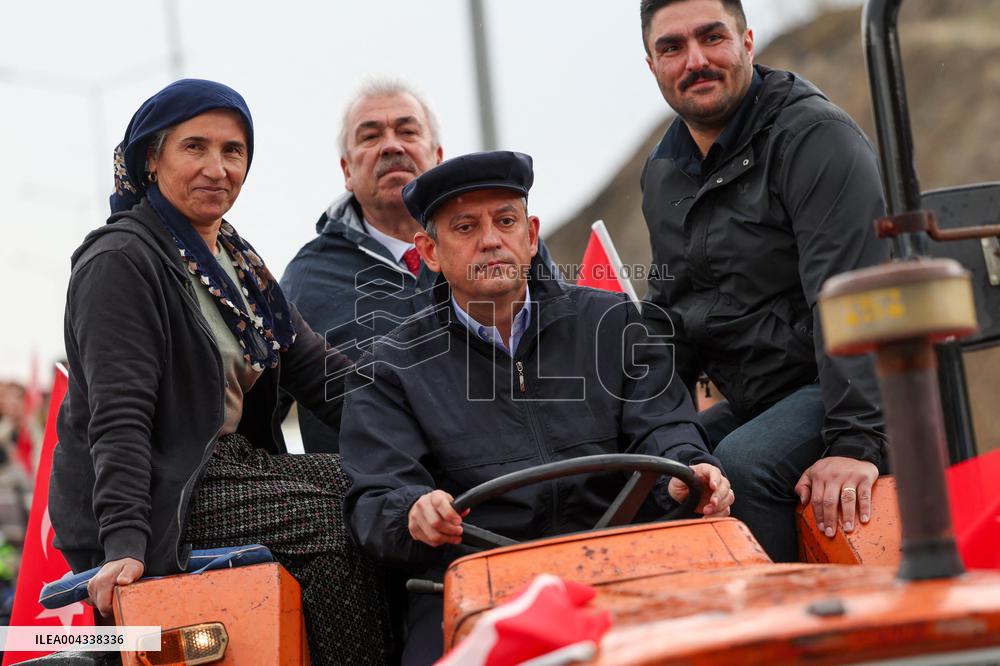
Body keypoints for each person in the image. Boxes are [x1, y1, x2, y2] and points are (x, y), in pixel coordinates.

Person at [339, 150, 734, 665]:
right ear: (430, 252)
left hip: (623, 566)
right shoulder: (389, 368)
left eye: (505, 221)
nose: (490, 239)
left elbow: (665, 429)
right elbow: (378, 498)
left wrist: (688, 469)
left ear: (530, 235)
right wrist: (413, 511)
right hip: (479, 587)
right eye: (464, 227)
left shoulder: (612, 323)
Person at [48, 79, 391, 664]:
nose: (217, 167)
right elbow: (120, 417)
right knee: (338, 522)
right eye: (195, 147)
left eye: (233, 151)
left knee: (384, 489)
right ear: (151, 159)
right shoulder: (120, 261)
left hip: (229, 472)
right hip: (162, 491)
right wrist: (124, 545)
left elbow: (325, 375)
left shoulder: (236, 262)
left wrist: (423, 432)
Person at [638, 0, 890, 562]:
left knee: (744, 466)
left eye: (712, 38)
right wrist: (643, 420)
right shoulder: (663, 171)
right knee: (651, 472)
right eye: (672, 47)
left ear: (748, 42)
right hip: (759, 396)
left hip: (845, 388)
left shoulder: (814, 138)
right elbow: (672, 314)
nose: (695, 61)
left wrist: (856, 443)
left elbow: (850, 297)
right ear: (651, 65)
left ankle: (785, 635)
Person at [280, 79, 558, 454]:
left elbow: (566, 352)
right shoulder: (305, 280)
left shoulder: (507, 252)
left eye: (407, 130)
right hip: (372, 496)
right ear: (346, 170)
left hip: (511, 483)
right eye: (370, 136)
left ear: (438, 156)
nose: (392, 145)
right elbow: (263, 408)